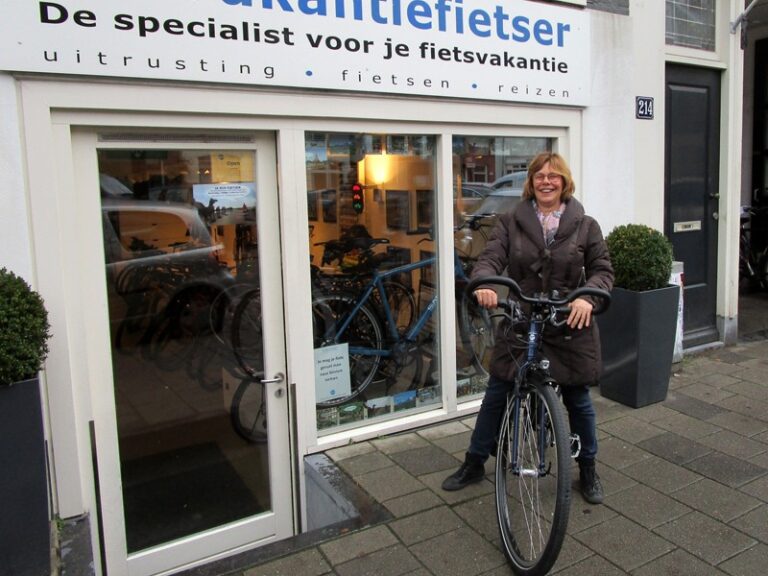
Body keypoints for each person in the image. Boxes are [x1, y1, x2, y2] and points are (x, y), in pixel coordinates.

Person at [442, 152, 614, 504]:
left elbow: (602, 270)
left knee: (578, 398)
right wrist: (485, 283)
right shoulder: (510, 222)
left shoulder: (586, 225)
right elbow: (490, 257)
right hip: (522, 318)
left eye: (553, 176)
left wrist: (587, 298)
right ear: (531, 182)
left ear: (564, 182)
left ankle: (588, 468)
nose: (546, 181)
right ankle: (474, 462)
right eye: (539, 176)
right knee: (498, 389)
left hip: (567, 321)